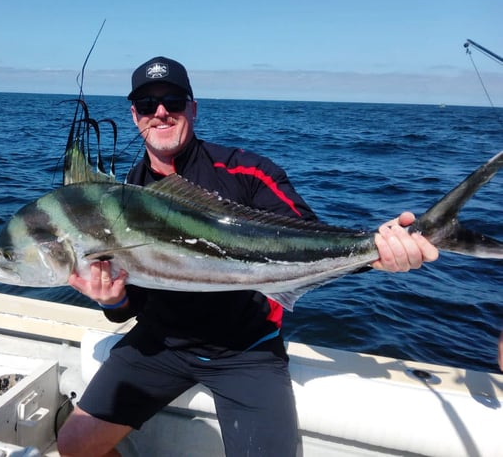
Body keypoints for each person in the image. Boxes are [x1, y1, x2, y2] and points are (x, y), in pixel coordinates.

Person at [57, 56, 439, 457]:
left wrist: (377, 253)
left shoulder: (247, 172)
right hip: (159, 345)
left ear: (194, 108)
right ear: (135, 116)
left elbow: (306, 242)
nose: (162, 112)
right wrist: (112, 299)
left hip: (247, 352)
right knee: (74, 444)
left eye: (173, 100)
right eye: (149, 105)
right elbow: (132, 301)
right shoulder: (123, 195)